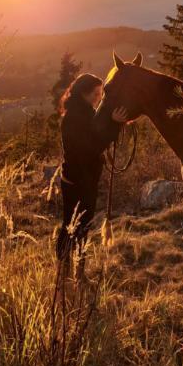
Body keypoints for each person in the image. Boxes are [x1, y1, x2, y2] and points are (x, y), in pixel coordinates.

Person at [57, 73, 128, 264]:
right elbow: (92, 146)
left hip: (80, 178)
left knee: (77, 225)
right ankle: (67, 268)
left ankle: (72, 267)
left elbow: (96, 136)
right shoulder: (75, 118)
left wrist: (114, 123)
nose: (99, 97)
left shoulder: (84, 112)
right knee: (75, 225)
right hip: (79, 181)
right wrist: (114, 125)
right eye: (96, 93)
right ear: (83, 93)